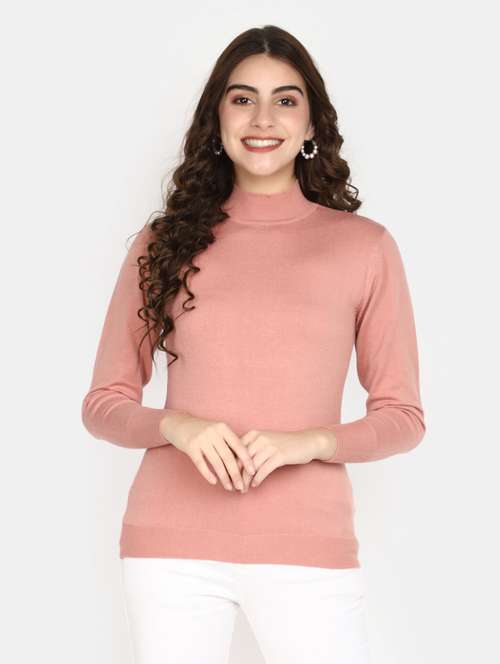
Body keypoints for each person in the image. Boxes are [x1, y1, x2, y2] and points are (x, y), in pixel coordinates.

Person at [81, 24, 426, 664]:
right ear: (216, 118)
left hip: (308, 548)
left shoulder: (364, 247)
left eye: (285, 100)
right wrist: (175, 425)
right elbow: (104, 402)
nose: (263, 118)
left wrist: (310, 442)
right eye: (242, 99)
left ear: (311, 122)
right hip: (169, 550)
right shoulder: (163, 243)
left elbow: (403, 417)